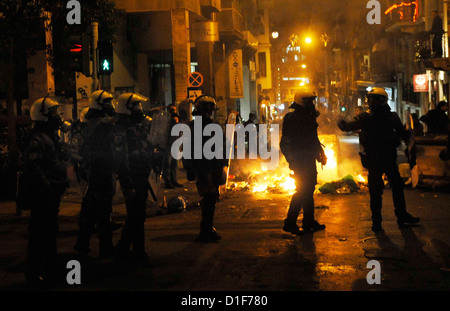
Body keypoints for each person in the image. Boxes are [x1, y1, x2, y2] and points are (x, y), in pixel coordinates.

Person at [337, 87, 420, 232]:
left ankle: (401, 216)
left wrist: (410, 136)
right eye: (370, 99)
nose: (370, 101)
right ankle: (377, 221)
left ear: (381, 100)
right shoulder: (366, 117)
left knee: (396, 188)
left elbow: (403, 134)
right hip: (374, 158)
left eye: (373, 99)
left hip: (388, 158)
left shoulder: (391, 117)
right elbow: (348, 127)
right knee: (376, 191)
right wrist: (341, 123)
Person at [22, 97, 68, 285]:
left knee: (49, 233)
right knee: (39, 236)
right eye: (53, 112)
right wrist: (47, 187)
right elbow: (33, 167)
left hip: (50, 195)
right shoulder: (37, 139)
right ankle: (33, 275)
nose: (57, 116)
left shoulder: (49, 136)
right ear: (43, 115)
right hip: (42, 196)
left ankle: (51, 270)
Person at [74, 90, 117, 258]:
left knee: (90, 210)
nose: (110, 105)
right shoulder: (101, 124)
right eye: (107, 102)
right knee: (104, 212)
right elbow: (114, 122)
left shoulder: (93, 124)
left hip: (94, 171)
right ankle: (105, 247)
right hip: (101, 171)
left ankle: (82, 243)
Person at [280, 89, 327, 234]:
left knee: (309, 190)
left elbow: (313, 138)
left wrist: (320, 153)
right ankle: (290, 222)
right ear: (302, 102)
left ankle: (308, 221)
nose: (312, 104)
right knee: (302, 190)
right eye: (309, 101)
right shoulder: (291, 118)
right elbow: (285, 143)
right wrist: (292, 161)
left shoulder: (309, 117)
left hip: (309, 159)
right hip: (300, 161)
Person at [114, 93, 153, 265]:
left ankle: (122, 248)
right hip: (133, 178)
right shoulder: (121, 131)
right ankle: (138, 252)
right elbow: (121, 160)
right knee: (136, 216)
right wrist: (128, 185)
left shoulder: (136, 127)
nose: (140, 110)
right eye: (136, 106)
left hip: (141, 176)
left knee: (136, 215)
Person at [183, 95, 228, 242]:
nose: (209, 111)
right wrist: (189, 168)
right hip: (202, 168)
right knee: (209, 198)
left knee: (212, 198)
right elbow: (187, 149)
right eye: (206, 108)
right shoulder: (192, 127)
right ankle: (205, 230)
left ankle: (208, 228)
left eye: (210, 108)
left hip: (214, 167)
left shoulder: (215, 126)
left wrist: (223, 163)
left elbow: (222, 145)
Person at [163, 104, 183, 189]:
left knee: (174, 164)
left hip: (175, 144)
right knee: (167, 164)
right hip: (168, 144)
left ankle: (174, 180)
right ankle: (168, 182)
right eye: (171, 110)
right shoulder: (166, 120)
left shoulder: (176, 120)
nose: (173, 112)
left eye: (174, 110)